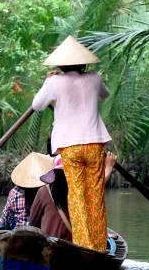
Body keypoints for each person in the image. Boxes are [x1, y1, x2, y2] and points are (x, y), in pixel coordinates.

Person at [31, 36, 112, 252]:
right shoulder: (94, 78)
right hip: (95, 144)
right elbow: (105, 95)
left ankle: (84, 247)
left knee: (76, 196)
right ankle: (98, 248)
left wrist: (47, 83)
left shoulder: (55, 82)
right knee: (95, 195)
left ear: (60, 64)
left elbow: (37, 105)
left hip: (70, 147)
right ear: (83, 62)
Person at [29, 152, 117, 241]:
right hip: (74, 249)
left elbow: (33, 224)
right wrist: (109, 167)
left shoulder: (44, 191)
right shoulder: (82, 192)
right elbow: (99, 186)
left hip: (48, 248)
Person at [0, 152, 55, 229]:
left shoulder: (15, 192)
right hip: (41, 235)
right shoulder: (48, 192)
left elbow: (6, 219)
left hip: (20, 235)